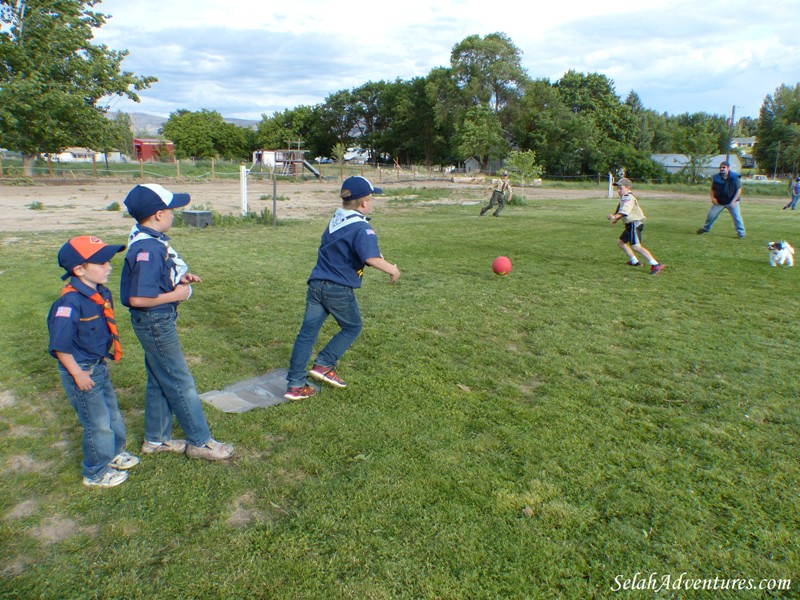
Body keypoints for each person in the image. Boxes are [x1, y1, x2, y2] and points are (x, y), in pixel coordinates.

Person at [120, 183, 234, 461]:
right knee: (180, 381)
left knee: (160, 378)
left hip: (153, 320)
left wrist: (177, 279)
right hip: (154, 322)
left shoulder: (147, 240)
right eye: (171, 209)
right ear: (158, 215)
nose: (174, 214)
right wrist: (177, 293)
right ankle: (200, 442)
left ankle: (156, 440)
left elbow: (151, 281)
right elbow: (137, 298)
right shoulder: (148, 248)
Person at [284, 176, 401, 401]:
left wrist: (374, 255)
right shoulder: (362, 227)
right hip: (337, 288)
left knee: (306, 334)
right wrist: (392, 270)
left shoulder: (337, 219)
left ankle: (295, 385)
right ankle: (324, 364)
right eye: (371, 199)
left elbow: (347, 247)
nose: (372, 203)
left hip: (317, 284)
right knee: (352, 327)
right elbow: (370, 257)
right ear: (364, 203)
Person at [48, 236, 139, 488]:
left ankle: (113, 453)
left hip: (98, 365)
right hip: (81, 371)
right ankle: (95, 471)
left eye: (109, 261)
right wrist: (78, 374)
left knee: (112, 414)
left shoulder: (99, 292)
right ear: (79, 269)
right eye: (101, 262)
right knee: (97, 423)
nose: (109, 267)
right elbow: (60, 345)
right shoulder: (69, 303)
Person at [607, 178, 665, 275]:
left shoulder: (628, 198)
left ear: (628, 188)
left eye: (620, 188)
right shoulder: (625, 197)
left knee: (636, 247)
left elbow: (625, 211)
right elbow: (620, 208)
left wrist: (615, 216)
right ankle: (635, 261)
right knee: (620, 242)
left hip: (634, 224)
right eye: (618, 188)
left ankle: (655, 264)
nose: (618, 191)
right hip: (630, 225)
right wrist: (616, 218)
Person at [696, 161, 745, 238]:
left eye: (724, 167)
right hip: (719, 201)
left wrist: (733, 201)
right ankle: (705, 229)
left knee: (737, 217)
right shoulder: (716, 177)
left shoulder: (735, 177)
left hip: (732, 201)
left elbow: (739, 190)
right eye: (720, 167)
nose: (722, 169)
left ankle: (741, 234)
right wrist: (713, 198)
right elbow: (712, 189)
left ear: (728, 168)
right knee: (711, 215)